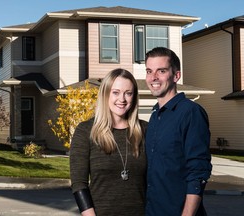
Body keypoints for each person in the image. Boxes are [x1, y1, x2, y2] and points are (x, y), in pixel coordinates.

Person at [144, 47, 212, 216]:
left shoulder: (190, 112)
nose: (153, 77)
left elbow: (197, 172)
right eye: (149, 71)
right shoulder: (155, 117)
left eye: (161, 71)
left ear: (176, 76)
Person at [70, 68, 147, 216]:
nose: (122, 99)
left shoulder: (145, 130)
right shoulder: (85, 131)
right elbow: (79, 184)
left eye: (128, 93)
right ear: (105, 94)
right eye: (116, 92)